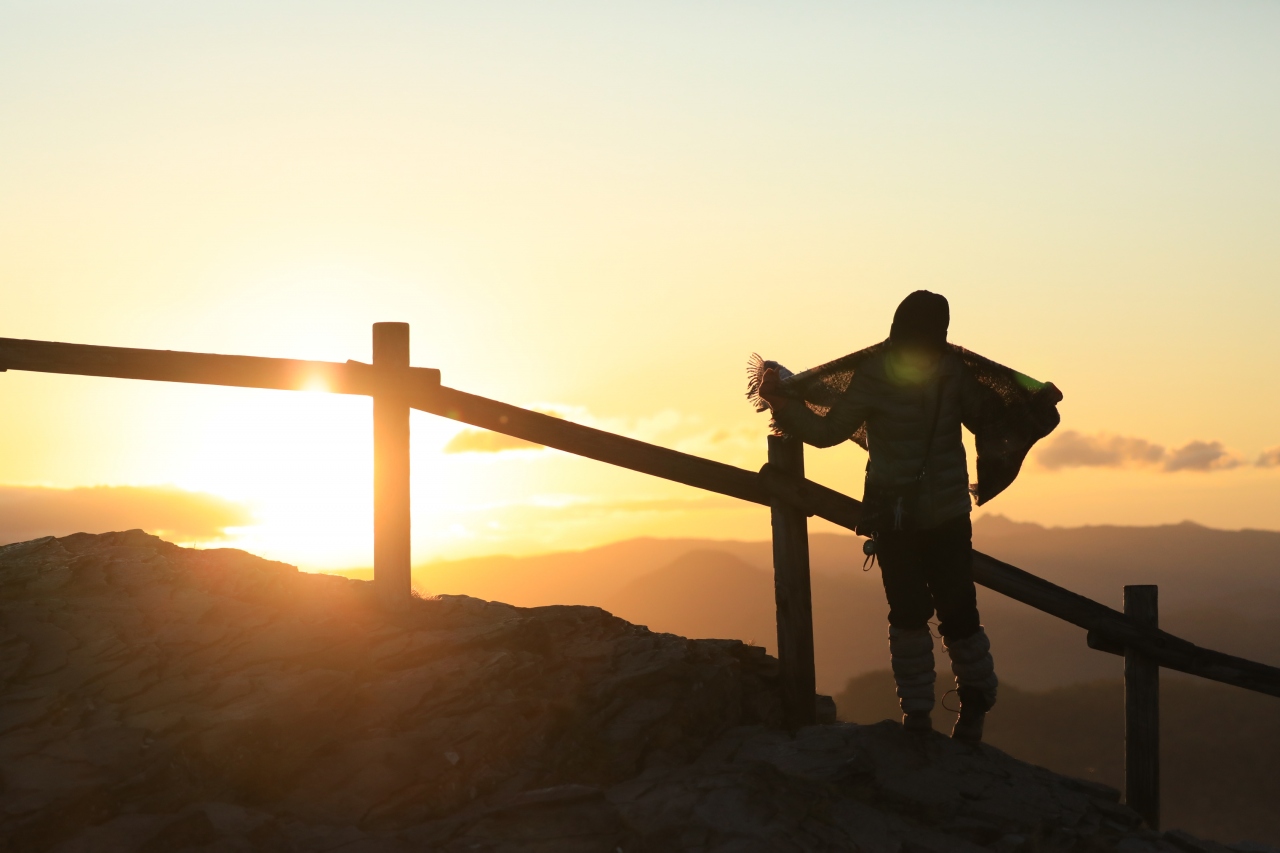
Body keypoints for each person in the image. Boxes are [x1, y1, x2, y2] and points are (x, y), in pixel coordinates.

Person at [751, 291, 1060, 742]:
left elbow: (826, 432)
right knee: (959, 614)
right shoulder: (954, 370)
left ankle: (916, 716)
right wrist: (1032, 404)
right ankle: (973, 709)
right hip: (950, 512)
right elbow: (992, 418)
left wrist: (783, 401)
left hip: (892, 513)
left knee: (908, 615)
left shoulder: (875, 370)